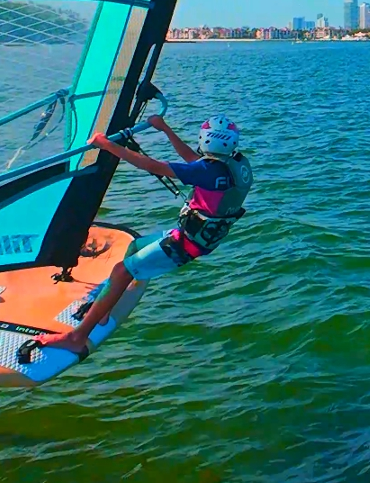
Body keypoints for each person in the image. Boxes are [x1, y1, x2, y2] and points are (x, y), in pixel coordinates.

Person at [36, 113, 253, 357]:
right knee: (135, 246)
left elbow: (152, 166)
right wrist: (165, 128)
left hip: (184, 244)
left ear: (205, 139)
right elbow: (193, 161)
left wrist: (107, 145)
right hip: (196, 237)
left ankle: (77, 338)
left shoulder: (207, 171)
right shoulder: (236, 165)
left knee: (122, 270)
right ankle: (103, 308)